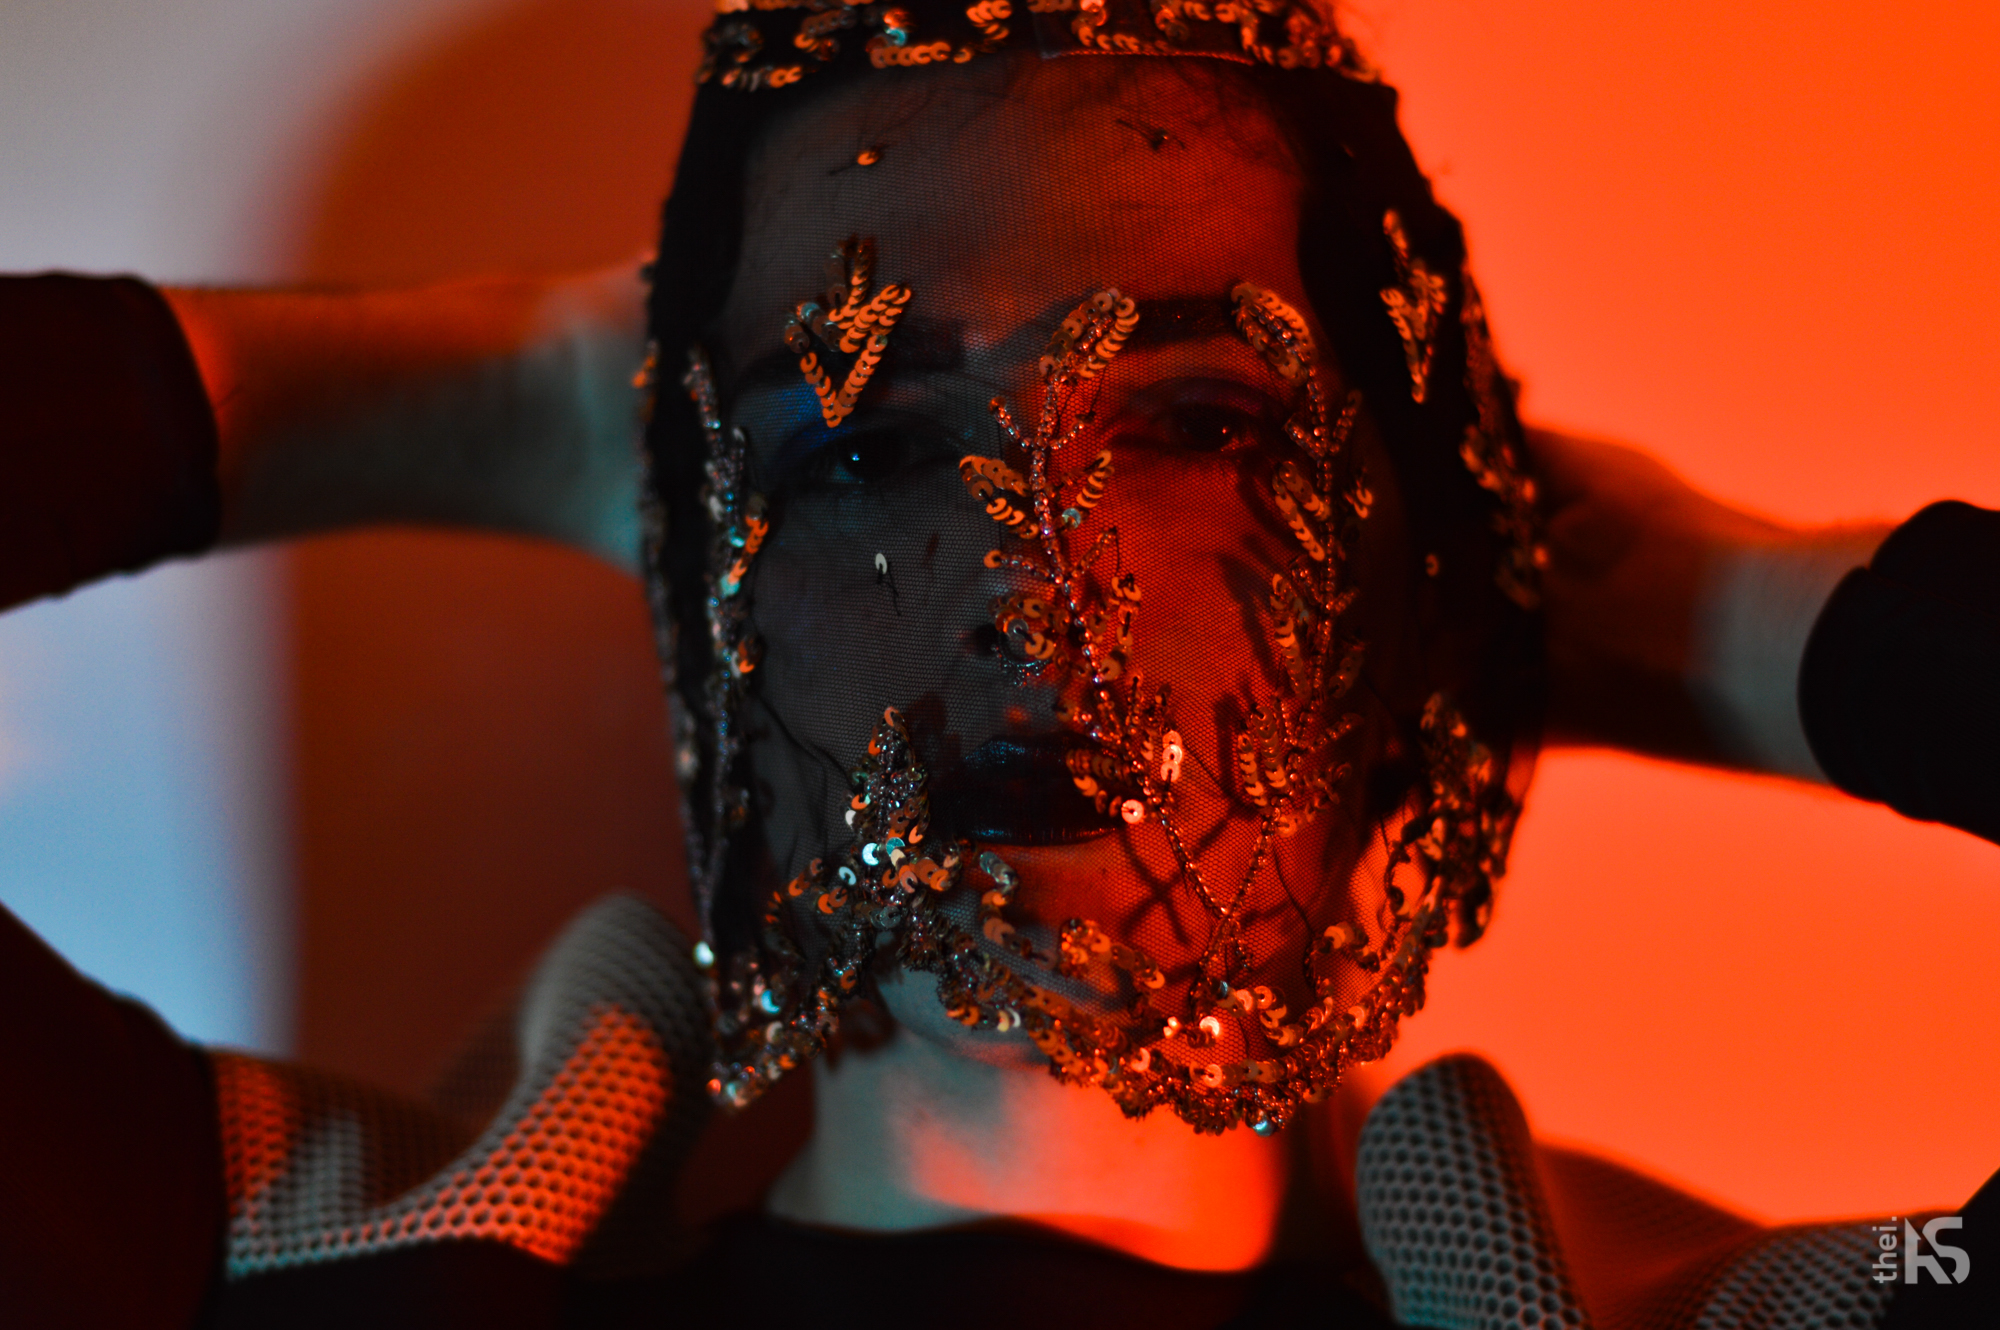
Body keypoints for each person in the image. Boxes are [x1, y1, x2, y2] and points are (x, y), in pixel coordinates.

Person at [2, 1, 1995, 1326]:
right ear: (712, 587)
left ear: (1412, 573)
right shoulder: (268, 1264)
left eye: (1200, 424)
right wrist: (494, 397)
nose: (1034, 589)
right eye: (864, 450)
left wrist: (1679, 592)